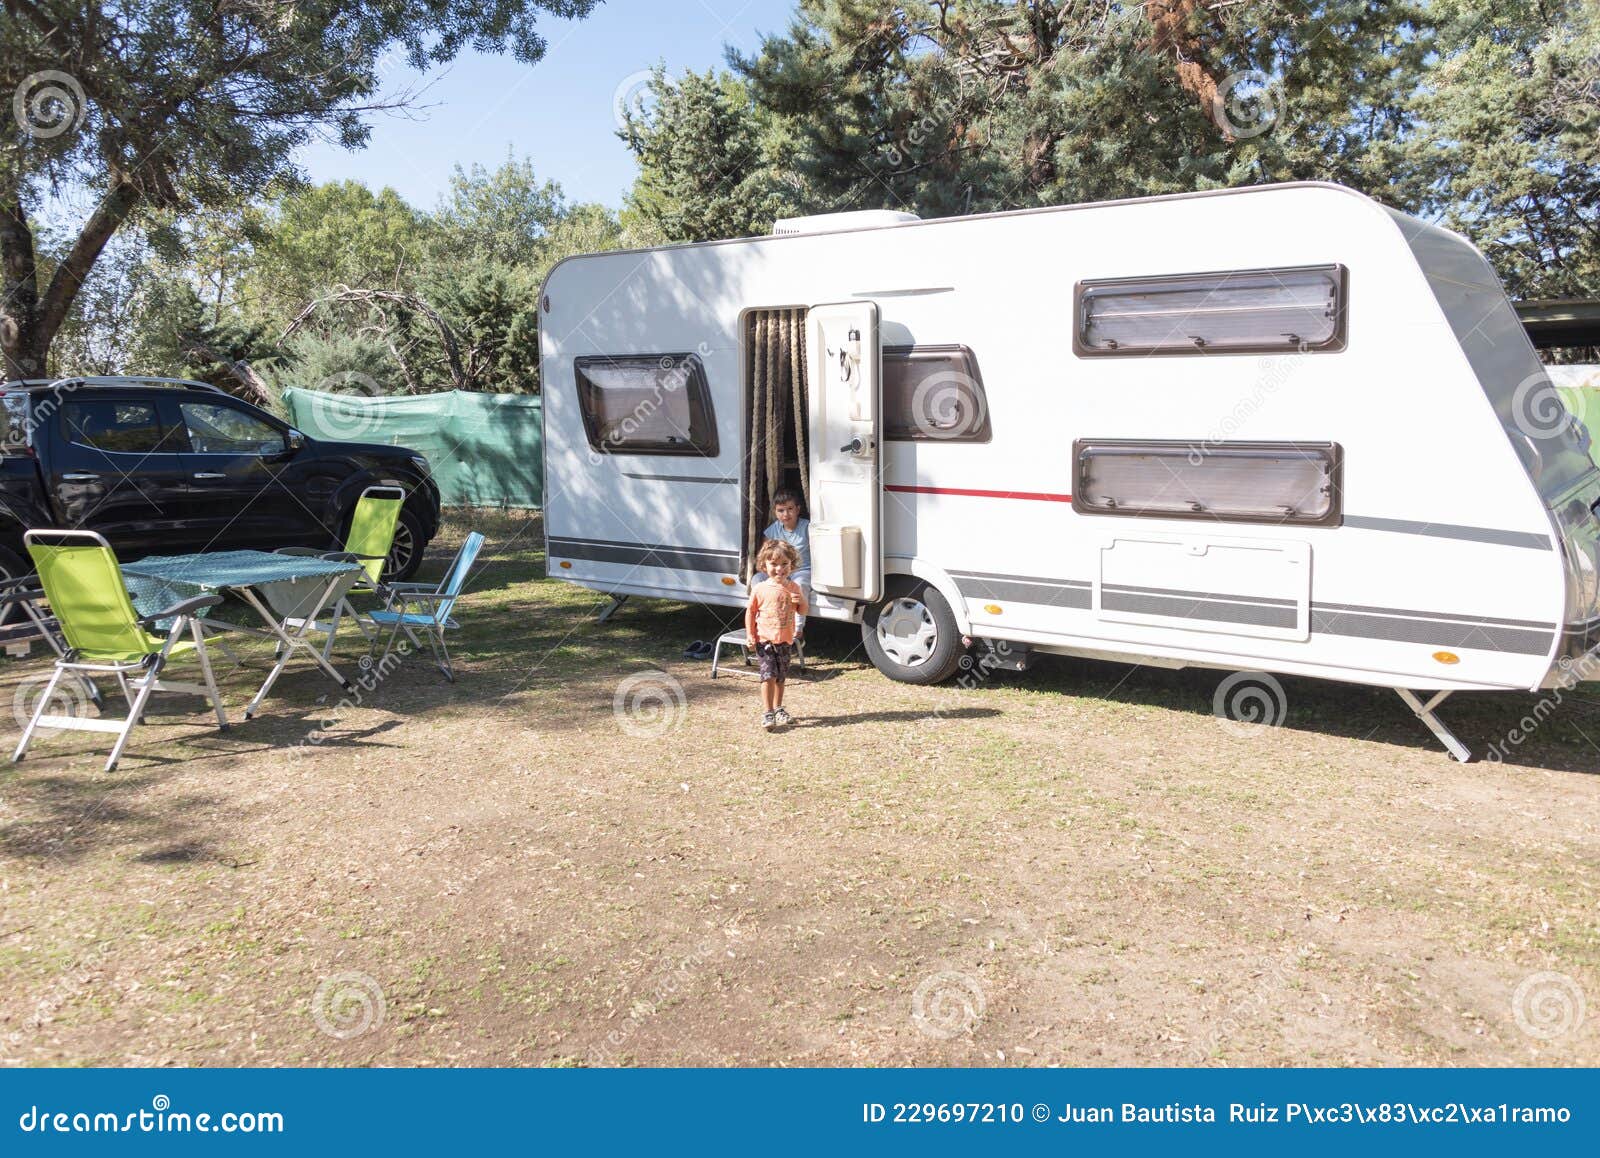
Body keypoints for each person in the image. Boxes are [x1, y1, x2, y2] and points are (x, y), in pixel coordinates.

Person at [745, 538, 808, 731]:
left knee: (780, 678)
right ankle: (768, 711)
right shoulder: (760, 588)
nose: (779, 568)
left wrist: (801, 600)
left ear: (792, 565)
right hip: (765, 641)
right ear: (764, 565)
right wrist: (750, 635)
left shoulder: (794, 588)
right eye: (774, 564)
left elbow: (803, 611)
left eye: (784, 564)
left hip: (785, 641)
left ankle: (779, 708)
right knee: (768, 676)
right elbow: (751, 612)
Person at [752, 488, 811, 640]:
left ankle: (797, 631)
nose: (786, 514)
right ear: (775, 512)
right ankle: (762, 622)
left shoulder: (807, 527)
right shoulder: (774, 529)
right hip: (779, 571)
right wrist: (764, 569)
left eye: (790, 509)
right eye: (781, 510)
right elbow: (764, 552)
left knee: (800, 584)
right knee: (757, 579)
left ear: (798, 509)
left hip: (801, 570)